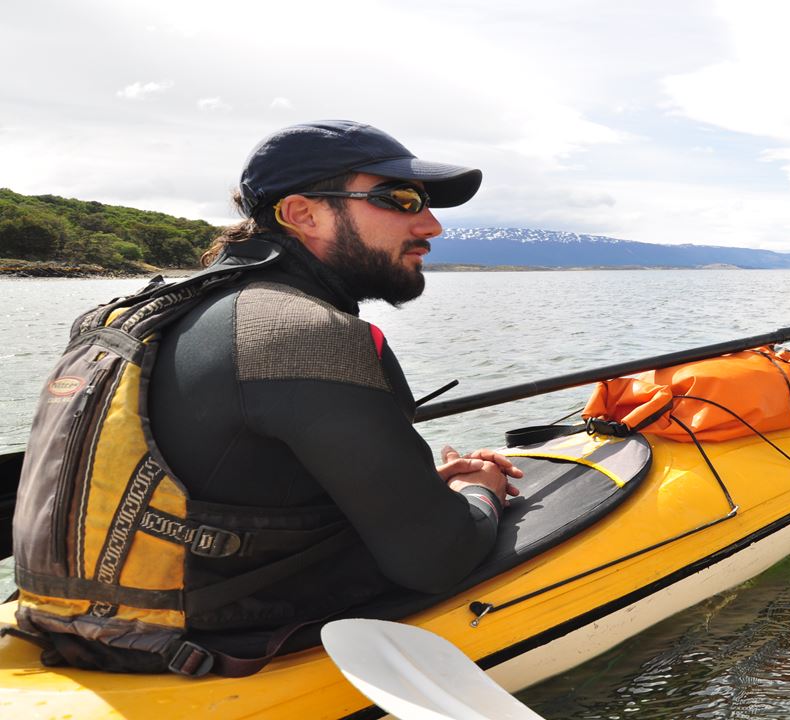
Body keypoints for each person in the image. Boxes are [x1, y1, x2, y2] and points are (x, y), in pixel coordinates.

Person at [9, 120, 522, 676]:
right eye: (400, 199)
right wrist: (479, 491)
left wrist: (416, 490)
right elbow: (436, 558)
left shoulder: (140, 317)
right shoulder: (300, 332)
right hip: (201, 648)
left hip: (84, 624)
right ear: (303, 214)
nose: (432, 224)